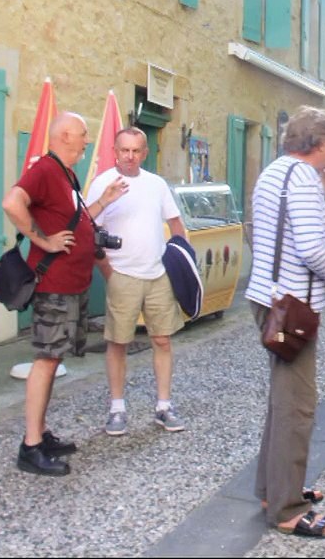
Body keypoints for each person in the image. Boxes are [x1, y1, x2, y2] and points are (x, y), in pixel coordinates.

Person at [245, 106, 325, 538]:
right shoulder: (306, 180)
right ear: (323, 144)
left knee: (282, 403)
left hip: (270, 297)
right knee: (297, 408)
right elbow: (311, 251)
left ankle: (271, 488)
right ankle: (288, 509)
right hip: (291, 304)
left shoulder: (277, 171)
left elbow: (282, 233)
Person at [1, 113, 125, 476]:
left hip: (72, 284)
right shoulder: (44, 170)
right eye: (84, 135)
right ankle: (31, 446)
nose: (87, 142)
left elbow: (77, 220)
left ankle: (40, 433)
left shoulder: (66, 174)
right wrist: (42, 240)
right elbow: (12, 203)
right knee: (47, 359)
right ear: (66, 136)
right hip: (54, 285)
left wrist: (102, 201)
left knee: (54, 360)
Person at [85, 128, 189, 436]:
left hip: (157, 273)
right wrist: (108, 272)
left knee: (163, 339)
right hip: (123, 274)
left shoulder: (156, 184)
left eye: (136, 150)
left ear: (144, 153)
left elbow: (175, 222)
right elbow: (88, 230)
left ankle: (164, 405)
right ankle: (117, 408)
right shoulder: (102, 183)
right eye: (124, 150)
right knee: (118, 342)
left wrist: (182, 259)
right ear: (115, 151)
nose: (130, 156)